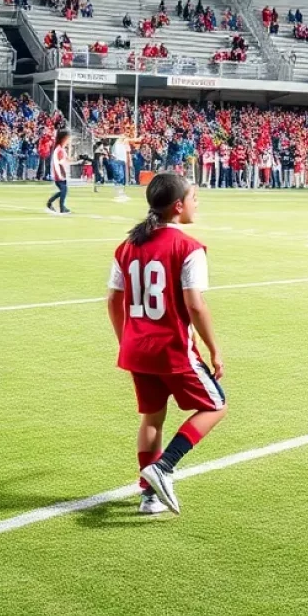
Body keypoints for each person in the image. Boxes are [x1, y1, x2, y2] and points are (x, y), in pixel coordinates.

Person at [106, 173, 226, 516]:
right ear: (178, 206)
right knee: (216, 406)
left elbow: (113, 299)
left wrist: (126, 339)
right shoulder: (188, 248)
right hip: (170, 349)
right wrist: (214, 348)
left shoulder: (127, 245)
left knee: (152, 418)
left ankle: (149, 497)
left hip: (137, 349)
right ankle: (164, 466)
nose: (196, 204)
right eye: (194, 198)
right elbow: (195, 304)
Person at [45, 130, 72, 215]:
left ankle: (51, 202)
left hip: (62, 174)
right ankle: (61, 207)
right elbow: (57, 163)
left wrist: (80, 160)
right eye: (68, 138)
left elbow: (67, 161)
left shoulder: (62, 149)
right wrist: (59, 175)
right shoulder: (58, 149)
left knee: (64, 191)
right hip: (59, 174)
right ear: (64, 138)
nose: (69, 140)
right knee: (64, 190)